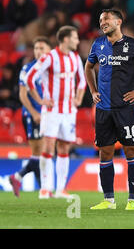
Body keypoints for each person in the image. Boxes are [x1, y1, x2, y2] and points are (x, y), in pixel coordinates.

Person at [85, 9, 134, 211]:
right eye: (100, 20)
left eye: (107, 19)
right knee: (105, 152)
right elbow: (88, 66)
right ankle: (108, 200)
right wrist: (93, 91)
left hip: (125, 109)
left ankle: (132, 200)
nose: (103, 23)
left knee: (130, 150)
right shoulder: (98, 44)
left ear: (119, 21)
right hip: (103, 109)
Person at [25, 26, 86, 199]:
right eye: (75, 38)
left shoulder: (75, 58)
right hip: (51, 111)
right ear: (66, 39)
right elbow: (30, 78)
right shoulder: (49, 57)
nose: (77, 41)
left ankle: (60, 189)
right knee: (48, 147)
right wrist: (40, 100)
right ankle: (45, 188)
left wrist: (79, 98)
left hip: (69, 112)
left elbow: (82, 81)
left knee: (65, 147)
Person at [9, 37, 52, 197]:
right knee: (39, 153)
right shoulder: (28, 69)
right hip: (32, 115)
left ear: (49, 50)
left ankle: (18, 177)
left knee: (42, 154)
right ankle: (43, 190)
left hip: (47, 115)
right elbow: (22, 95)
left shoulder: (51, 69)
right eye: (36, 48)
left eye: (42, 48)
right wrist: (34, 113)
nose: (38, 52)